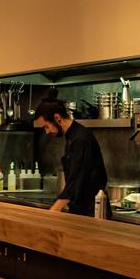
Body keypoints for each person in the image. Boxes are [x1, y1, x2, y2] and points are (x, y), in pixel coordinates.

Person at [34, 88, 109, 217]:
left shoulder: (80, 139)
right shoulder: (72, 137)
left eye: (46, 126)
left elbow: (75, 182)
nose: (47, 132)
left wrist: (53, 211)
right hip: (81, 210)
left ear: (57, 118)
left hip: (91, 213)